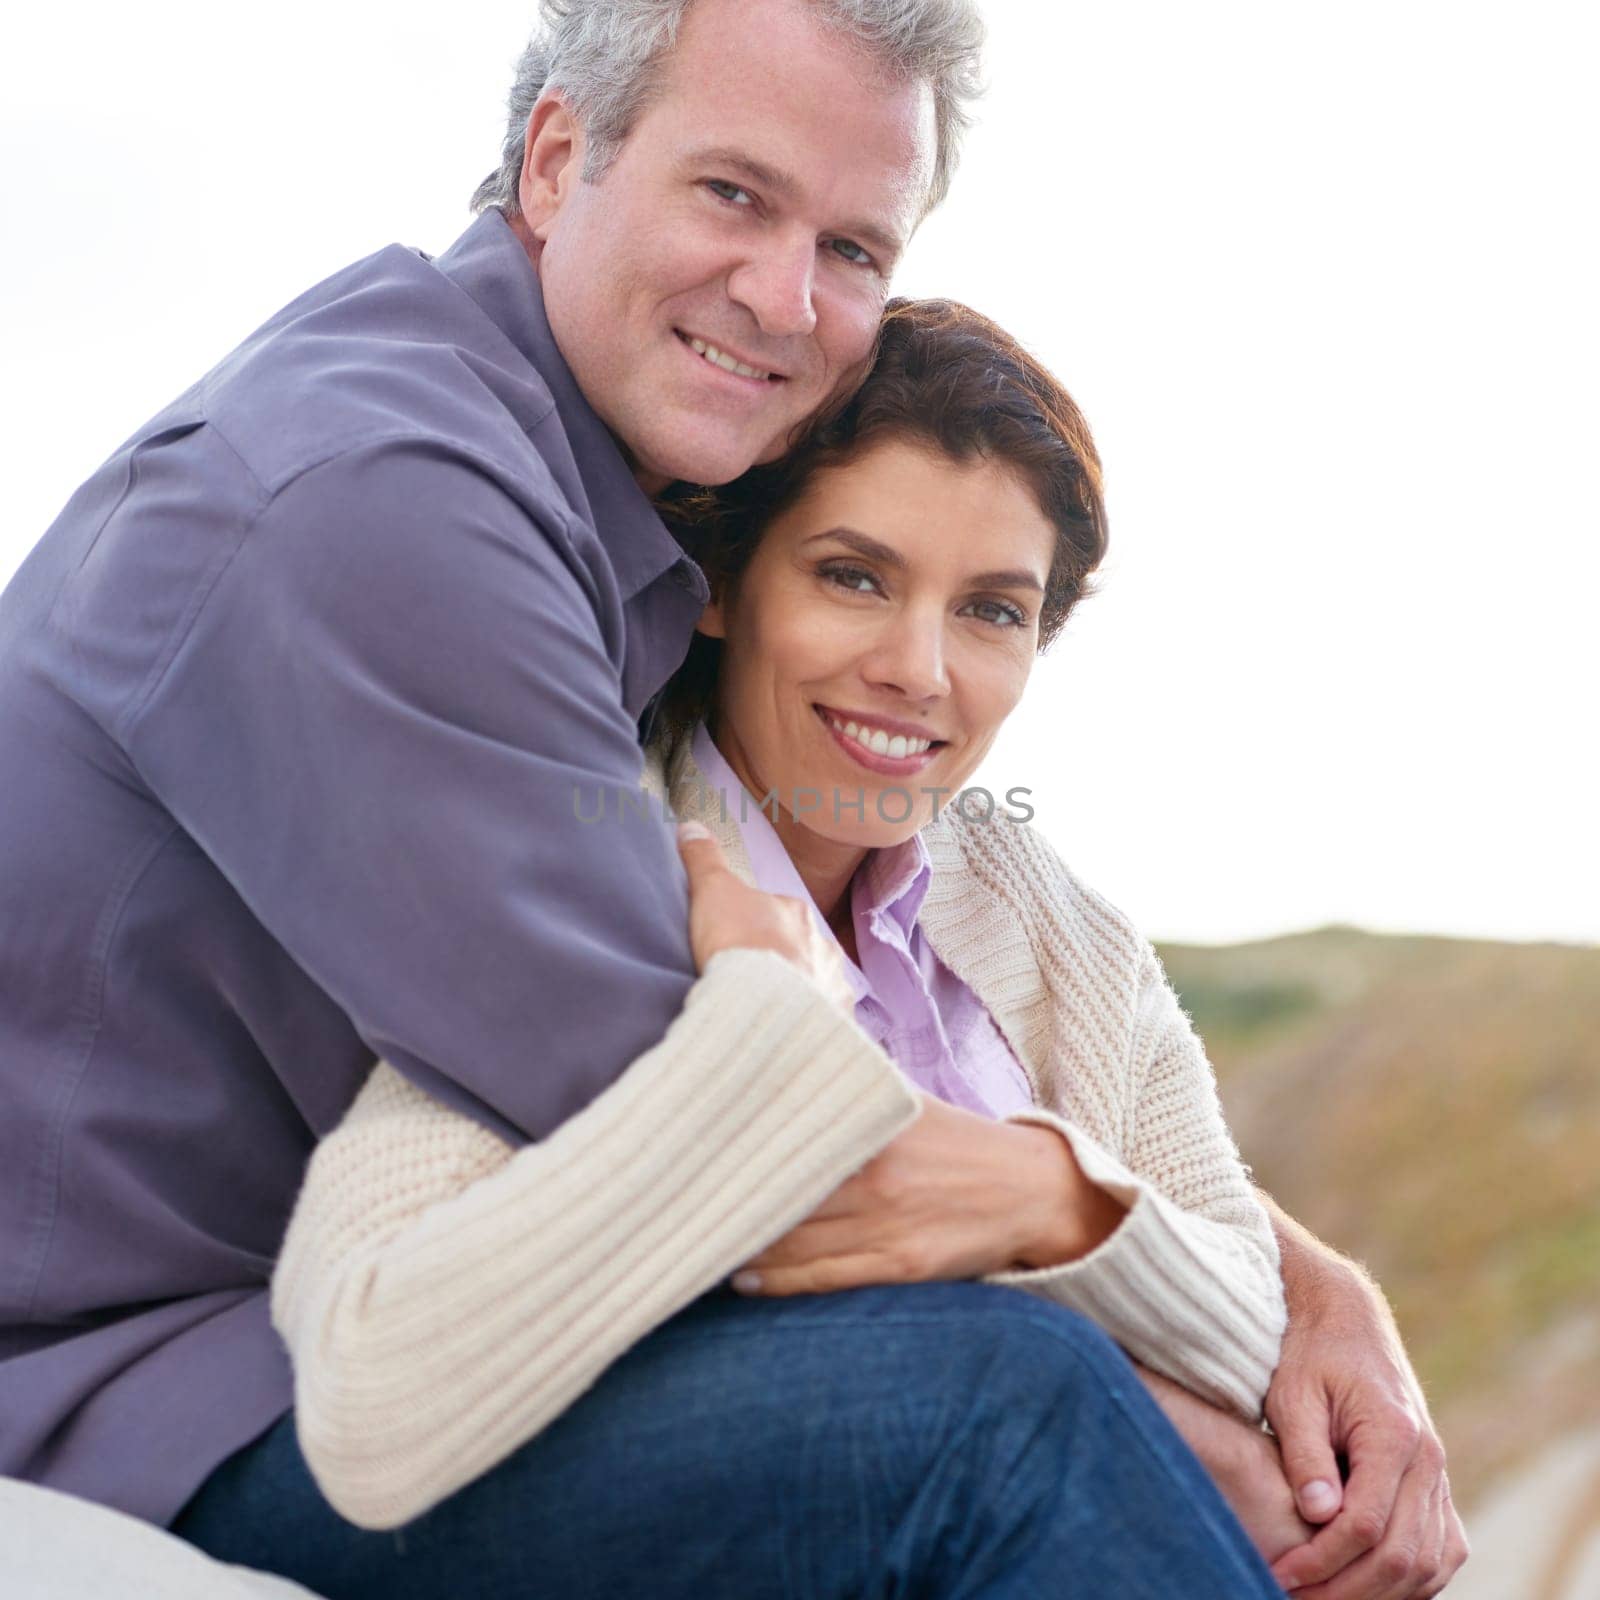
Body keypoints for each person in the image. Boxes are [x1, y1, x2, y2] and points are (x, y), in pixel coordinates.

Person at [0, 1, 1464, 1595]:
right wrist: (1182, 1393)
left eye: (853, 245)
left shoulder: (570, 506)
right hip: (129, 1387)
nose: (785, 297)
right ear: (558, 157)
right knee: (1004, 1418)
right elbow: (737, 1154)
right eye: (734, 196)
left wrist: (1322, 1294)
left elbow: (904, 1130)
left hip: (259, 1341)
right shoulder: (387, 502)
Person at [207, 297, 1315, 1588]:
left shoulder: (1060, 929)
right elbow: (375, 1389)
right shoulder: (592, 874)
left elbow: (1252, 1317)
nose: (920, 668)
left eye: (993, 611)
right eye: (854, 577)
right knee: (1030, 1393)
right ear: (725, 585)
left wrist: (1048, 1200)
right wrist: (762, 1034)